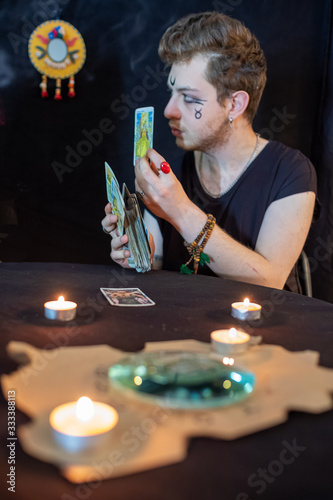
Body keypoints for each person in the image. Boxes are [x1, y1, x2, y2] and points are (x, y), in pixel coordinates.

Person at [102, 11, 317, 292]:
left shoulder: (290, 172)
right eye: (172, 92)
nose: (169, 110)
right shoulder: (173, 172)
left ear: (234, 105)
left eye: (189, 98)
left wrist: (179, 210)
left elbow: (270, 280)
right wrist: (137, 254)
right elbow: (153, 265)